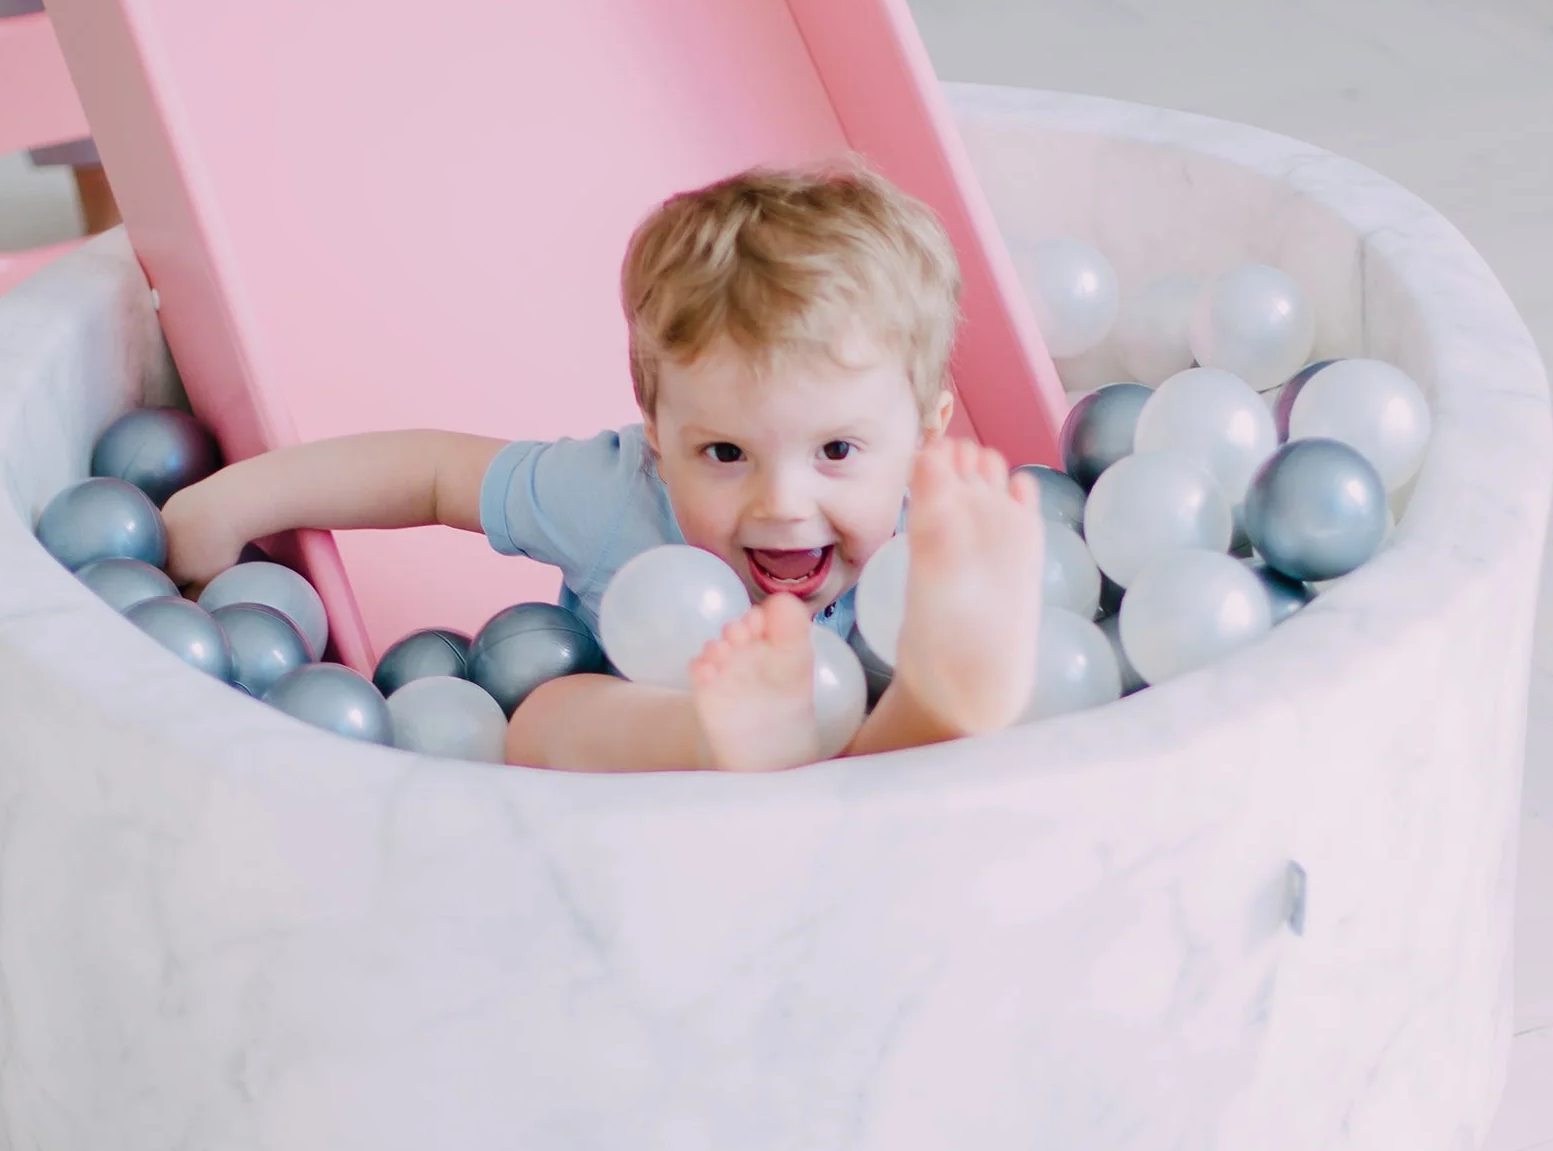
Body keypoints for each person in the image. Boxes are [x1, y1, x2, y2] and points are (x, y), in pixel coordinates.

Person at [163, 162, 1043, 771]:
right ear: (656, 434)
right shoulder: (616, 493)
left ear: (924, 436)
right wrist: (233, 504)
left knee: (892, 690)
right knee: (545, 713)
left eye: (837, 452)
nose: (783, 502)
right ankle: (713, 737)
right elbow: (431, 473)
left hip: (869, 775)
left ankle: (943, 692)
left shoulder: (938, 533)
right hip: (643, 768)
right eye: (725, 453)